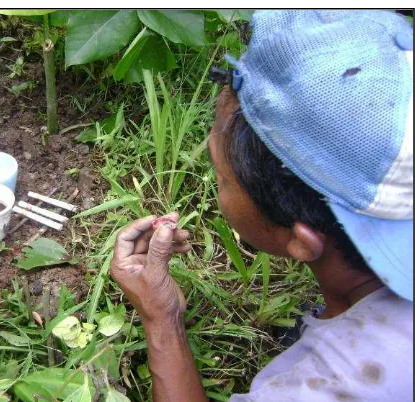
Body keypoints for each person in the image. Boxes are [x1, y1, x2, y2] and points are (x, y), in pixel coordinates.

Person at [110, 10, 413, 402]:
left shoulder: (355, 381)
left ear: (303, 241)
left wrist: (161, 319)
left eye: (221, 177)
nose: (216, 180)